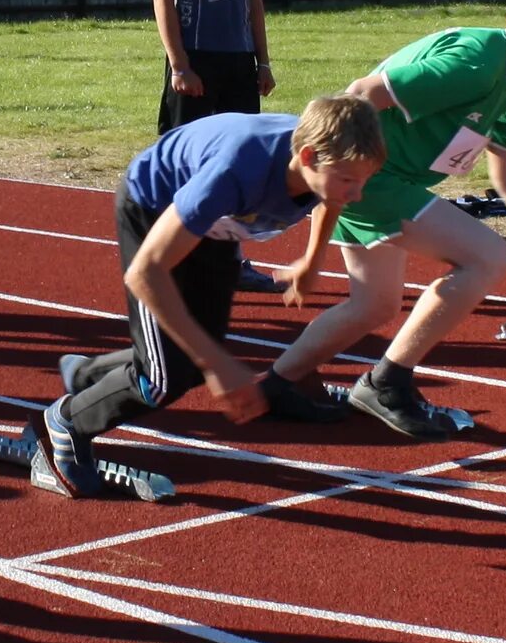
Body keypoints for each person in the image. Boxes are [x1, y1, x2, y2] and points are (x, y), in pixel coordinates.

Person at [275, 0, 506, 436]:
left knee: (374, 305)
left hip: (382, 183)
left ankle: (279, 382)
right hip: (373, 179)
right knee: (486, 257)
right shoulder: (479, 60)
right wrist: (341, 177)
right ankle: (387, 383)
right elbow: (362, 92)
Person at [32, 97, 386, 498]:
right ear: (306, 157)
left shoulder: (324, 162)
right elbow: (145, 273)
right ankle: (65, 423)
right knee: (163, 380)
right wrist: (219, 366)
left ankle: (86, 376)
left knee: (203, 354)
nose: (357, 194)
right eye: (349, 180)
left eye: (365, 180)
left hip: (219, 228)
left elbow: (331, 197)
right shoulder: (236, 173)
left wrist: (312, 259)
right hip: (154, 211)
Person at [151, 0, 283, 295]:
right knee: (187, 164)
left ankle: (231, 258)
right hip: (195, 58)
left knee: (240, 166)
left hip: (238, 58)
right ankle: (170, 259)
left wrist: (263, 61)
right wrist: (179, 63)